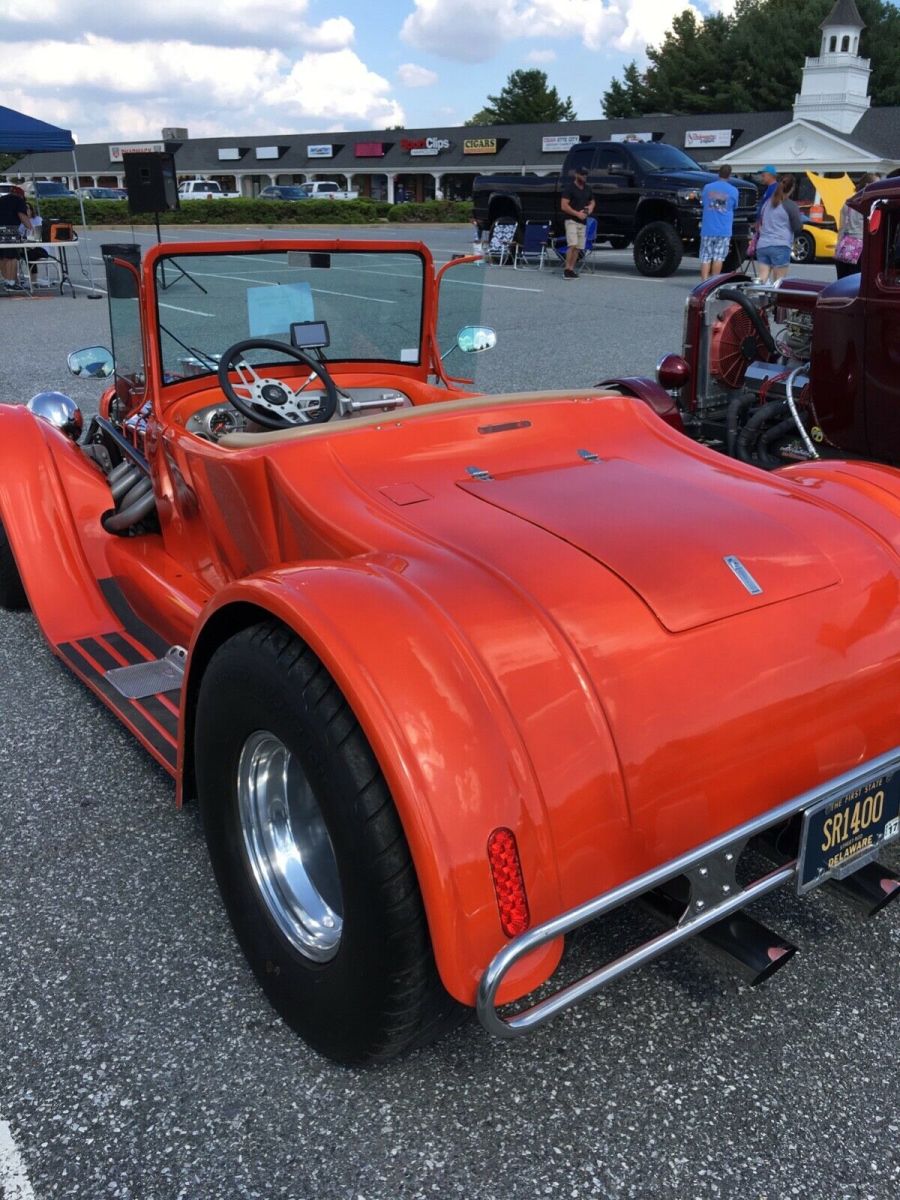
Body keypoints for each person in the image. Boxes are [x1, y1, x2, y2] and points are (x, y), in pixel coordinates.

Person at [754, 173, 803, 283]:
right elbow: (797, 227)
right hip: (781, 244)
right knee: (778, 282)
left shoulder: (767, 203)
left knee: (762, 278)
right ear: (792, 188)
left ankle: (761, 298)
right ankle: (774, 300)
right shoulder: (790, 205)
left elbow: (760, 221)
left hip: (763, 244)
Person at [834, 173, 879, 279]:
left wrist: (837, 248)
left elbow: (842, 228)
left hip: (845, 245)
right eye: (877, 183)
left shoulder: (848, 203)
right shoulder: (869, 204)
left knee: (842, 279)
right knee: (855, 281)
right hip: (861, 247)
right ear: (868, 185)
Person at [699, 165, 739, 280]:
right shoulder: (733, 190)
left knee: (705, 256)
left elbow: (703, 202)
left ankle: (704, 282)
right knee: (718, 257)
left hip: (708, 227)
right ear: (729, 175)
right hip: (723, 229)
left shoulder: (707, 187)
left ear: (718, 173)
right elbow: (734, 206)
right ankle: (713, 282)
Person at [559, 166, 595, 279]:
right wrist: (577, 214)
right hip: (571, 221)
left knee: (578, 247)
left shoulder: (588, 189)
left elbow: (592, 202)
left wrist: (589, 209)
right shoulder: (570, 189)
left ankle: (571, 269)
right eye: (582, 175)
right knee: (572, 244)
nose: (584, 177)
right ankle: (566, 269)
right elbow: (564, 205)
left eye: (586, 175)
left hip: (583, 222)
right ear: (576, 175)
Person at [0, 186, 33, 291]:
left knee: (2, 257)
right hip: (10, 230)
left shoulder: (2, 199)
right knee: (12, 257)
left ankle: (5, 281)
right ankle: (11, 283)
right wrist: (31, 228)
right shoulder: (19, 200)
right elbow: (22, 215)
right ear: (21, 195)